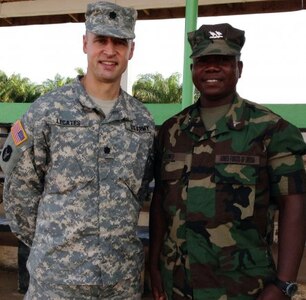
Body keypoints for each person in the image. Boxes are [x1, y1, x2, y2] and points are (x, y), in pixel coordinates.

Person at [0, 1, 154, 299]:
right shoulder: (47, 111)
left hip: (119, 283)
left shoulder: (142, 121)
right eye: (101, 40)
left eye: (120, 42)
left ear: (130, 50)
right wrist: (55, 246)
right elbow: (19, 192)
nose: (110, 51)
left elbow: (140, 190)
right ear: (86, 44)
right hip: (56, 282)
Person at [149, 23, 306, 300]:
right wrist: (154, 263)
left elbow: (294, 205)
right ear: (193, 69)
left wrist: (284, 284)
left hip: (243, 286)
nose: (212, 68)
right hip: (178, 283)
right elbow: (161, 201)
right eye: (203, 61)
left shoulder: (272, 130)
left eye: (223, 61)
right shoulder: (172, 130)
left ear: (239, 69)